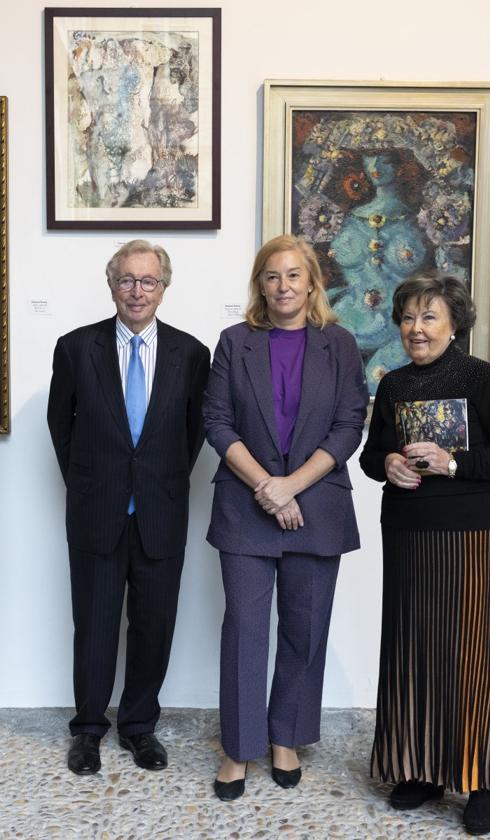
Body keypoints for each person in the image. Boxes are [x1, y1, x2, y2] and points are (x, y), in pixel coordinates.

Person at [358, 271, 490, 835]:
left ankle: (480, 779)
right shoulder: (392, 385)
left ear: (455, 323)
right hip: (407, 529)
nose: (416, 328)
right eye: (408, 317)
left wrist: (455, 462)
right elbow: (370, 456)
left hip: (470, 531)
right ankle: (420, 768)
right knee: (413, 646)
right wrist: (384, 463)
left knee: (467, 651)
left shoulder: (480, 378)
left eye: (428, 317)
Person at [203, 234, 369, 801]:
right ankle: (239, 749)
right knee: (246, 631)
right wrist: (266, 488)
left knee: (305, 628)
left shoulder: (340, 344)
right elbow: (217, 421)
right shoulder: (234, 342)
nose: (283, 287)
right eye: (272, 276)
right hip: (246, 508)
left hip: (316, 506)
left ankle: (286, 738)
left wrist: (290, 487)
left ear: (312, 283)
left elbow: (349, 425)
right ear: (260, 284)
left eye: (294, 276)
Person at [47, 240, 210, 775]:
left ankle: (139, 727)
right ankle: (89, 729)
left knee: (153, 625)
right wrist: (96, 484)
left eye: (149, 281)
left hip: (161, 511)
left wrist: (157, 481)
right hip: (97, 511)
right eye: (127, 280)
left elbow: (193, 433)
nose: (137, 291)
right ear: (110, 283)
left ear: (164, 287)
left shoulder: (191, 354)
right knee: (93, 625)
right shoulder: (75, 348)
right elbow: (60, 428)